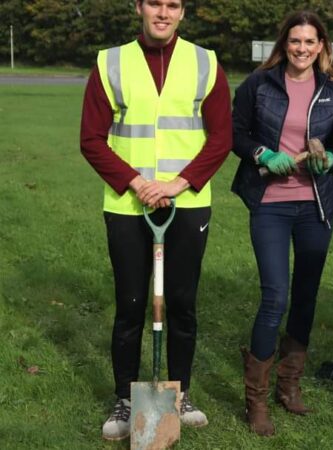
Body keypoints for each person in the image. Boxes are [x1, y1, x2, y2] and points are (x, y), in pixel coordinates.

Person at [79, 0, 232, 441]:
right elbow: (91, 138)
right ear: (138, 8)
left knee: (182, 303)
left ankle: (179, 393)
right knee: (129, 306)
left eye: (173, 5)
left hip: (187, 204)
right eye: (154, 3)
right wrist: (135, 182)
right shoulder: (111, 63)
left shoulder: (206, 63)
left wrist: (179, 183)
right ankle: (125, 399)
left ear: (182, 12)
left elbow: (221, 137)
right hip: (128, 205)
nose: (163, 13)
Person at [230, 11, 333, 437]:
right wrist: (262, 154)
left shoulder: (332, 91)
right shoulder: (259, 85)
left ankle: (289, 384)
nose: (302, 49)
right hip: (271, 204)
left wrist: (331, 159)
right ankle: (255, 400)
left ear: (321, 47)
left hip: (316, 205)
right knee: (275, 297)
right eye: (295, 41)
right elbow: (234, 132)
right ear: (285, 44)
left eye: (310, 42)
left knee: (305, 296)